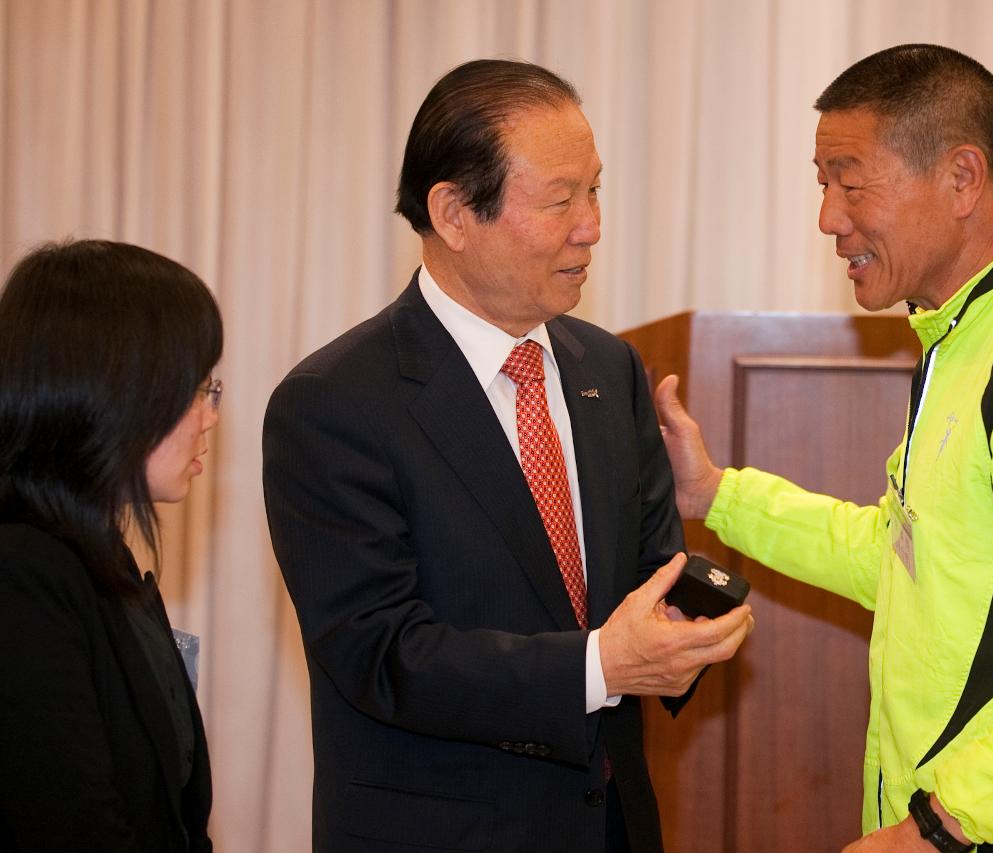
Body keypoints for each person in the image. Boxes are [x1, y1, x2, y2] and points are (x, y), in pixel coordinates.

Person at [654, 44, 993, 852]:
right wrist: (715, 496)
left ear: (960, 178)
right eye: (822, 184)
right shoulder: (964, 337)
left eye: (851, 181)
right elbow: (906, 558)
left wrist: (936, 830)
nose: (828, 218)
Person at [262, 59, 753, 853]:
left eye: (595, 190)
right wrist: (601, 664)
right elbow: (380, 651)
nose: (591, 224)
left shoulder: (610, 369)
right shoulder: (334, 402)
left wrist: (681, 632)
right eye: (562, 198)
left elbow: (650, 573)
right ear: (454, 212)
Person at [0, 240, 222, 851]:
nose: (209, 416)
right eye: (196, 389)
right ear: (114, 390)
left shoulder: (100, 557)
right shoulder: (23, 573)